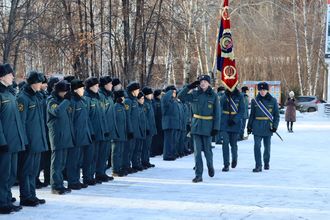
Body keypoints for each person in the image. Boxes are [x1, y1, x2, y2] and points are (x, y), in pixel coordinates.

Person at [178, 75, 220, 183]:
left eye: (205, 81)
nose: (203, 83)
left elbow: (217, 113)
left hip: (208, 127)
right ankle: (198, 175)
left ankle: (210, 166)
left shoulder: (213, 96)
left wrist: (216, 128)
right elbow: (180, 96)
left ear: (209, 83)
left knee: (207, 151)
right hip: (196, 127)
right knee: (197, 153)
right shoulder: (194, 94)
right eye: (201, 82)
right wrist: (189, 87)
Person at [17, 71, 48, 206]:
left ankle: (32, 194)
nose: (42, 84)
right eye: (40, 82)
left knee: (34, 171)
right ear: (34, 83)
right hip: (30, 140)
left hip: (38, 139)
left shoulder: (36, 96)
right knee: (26, 170)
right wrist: (25, 141)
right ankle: (25, 196)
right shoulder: (23, 98)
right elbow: (21, 122)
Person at [0, 64, 25, 214]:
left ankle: (7, 199)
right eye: (10, 74)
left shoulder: (10, 93)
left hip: (15, 141)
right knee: (3, 174)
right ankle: (2, 202)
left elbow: (17, 120)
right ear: (2, 76)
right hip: (5, 142)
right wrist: (1, 142)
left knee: (11, 174)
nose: (13, 77)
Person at [47, 80, 74, 194]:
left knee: (62, 162)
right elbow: (57, 111)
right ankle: (55, 186)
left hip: (65, 135)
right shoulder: (51, 101)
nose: (67, 94)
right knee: (57, 162)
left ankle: (60, 183)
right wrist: (67, 101)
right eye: (65, 91)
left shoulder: (63, 101)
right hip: (57, 136)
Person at [247, 82, 280, 172]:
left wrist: (275, 126)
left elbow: (276, 115)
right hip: (257, 126)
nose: (262, 92)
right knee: (257, 146)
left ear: (267, 90)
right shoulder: (255, 101)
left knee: (267, 147)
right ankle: (258, 165)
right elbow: (252, 115)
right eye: (260, 90)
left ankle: (266, 162)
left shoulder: (273, 100)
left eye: (264, 90)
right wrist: (249, 126)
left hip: (267, 126)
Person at [66, 79, 92, 189]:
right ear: (76, 90)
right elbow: (70, 120)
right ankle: (72, 181)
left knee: (78, 159)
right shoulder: (72, 101)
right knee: (73, 160)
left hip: (82, 134)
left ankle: (76, 179)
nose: (83, 90)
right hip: (75, 135)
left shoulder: (81, 101)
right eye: (81, 88)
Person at [219, 87, 245, 172]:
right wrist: (225, 95)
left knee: (233, 144)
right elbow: (220, 107)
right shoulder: (224, 95)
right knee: (225, 143)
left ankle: (234, 158)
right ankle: (226, 164)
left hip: (235, 123)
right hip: (224, 122)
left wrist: (235, 120)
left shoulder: (240, 96)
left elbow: (242, 111)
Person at [123, 82, 141, 173]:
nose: (138, 92)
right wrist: (130, 130)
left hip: (135, 128)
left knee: (133, 148)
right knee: (128, 149)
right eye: (137, 90)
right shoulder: (128, 101)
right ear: (133, 91)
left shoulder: (134, 100)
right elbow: (127, 116)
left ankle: (130, 164)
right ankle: (126, 165)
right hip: (130, 130)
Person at [161, 85, 180, 161]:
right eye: (173, 92)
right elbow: (165, 98)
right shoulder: (165, 100)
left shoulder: (173, 101)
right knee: (168, 141)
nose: (175, 93)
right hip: (168, 123)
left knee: (173, 140)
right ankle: (167, 155)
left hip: (174, 124)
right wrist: (170, 91)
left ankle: (171, 154)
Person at [112, 90, 127, 177]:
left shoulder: (122, 106)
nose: (124, 98)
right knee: (116, 152)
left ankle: (119, 168)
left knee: (120, 152)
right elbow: (114, 120)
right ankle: (115, 170)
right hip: (117, 133)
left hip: (122, 133)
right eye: (123, 97)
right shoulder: (115, 106)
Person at [141, 87, 156, 168]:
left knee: (148, 146)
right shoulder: (145, 104)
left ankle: (146, 160)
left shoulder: (150, 103)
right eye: (150, 93)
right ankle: (143, 161)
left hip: (151, 127)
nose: (152, 95)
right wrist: (147, 128)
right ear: (146, 95)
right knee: (145, 146)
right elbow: (145, 117)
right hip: (147, 128)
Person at [151, 89, 164, 156]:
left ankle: (159, 150)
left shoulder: (160, 102)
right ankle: (154, 151)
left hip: (160, 121)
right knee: (155, 138)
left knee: (160, 137)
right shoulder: (155, 102)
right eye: (160, 94)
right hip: (156, 121)